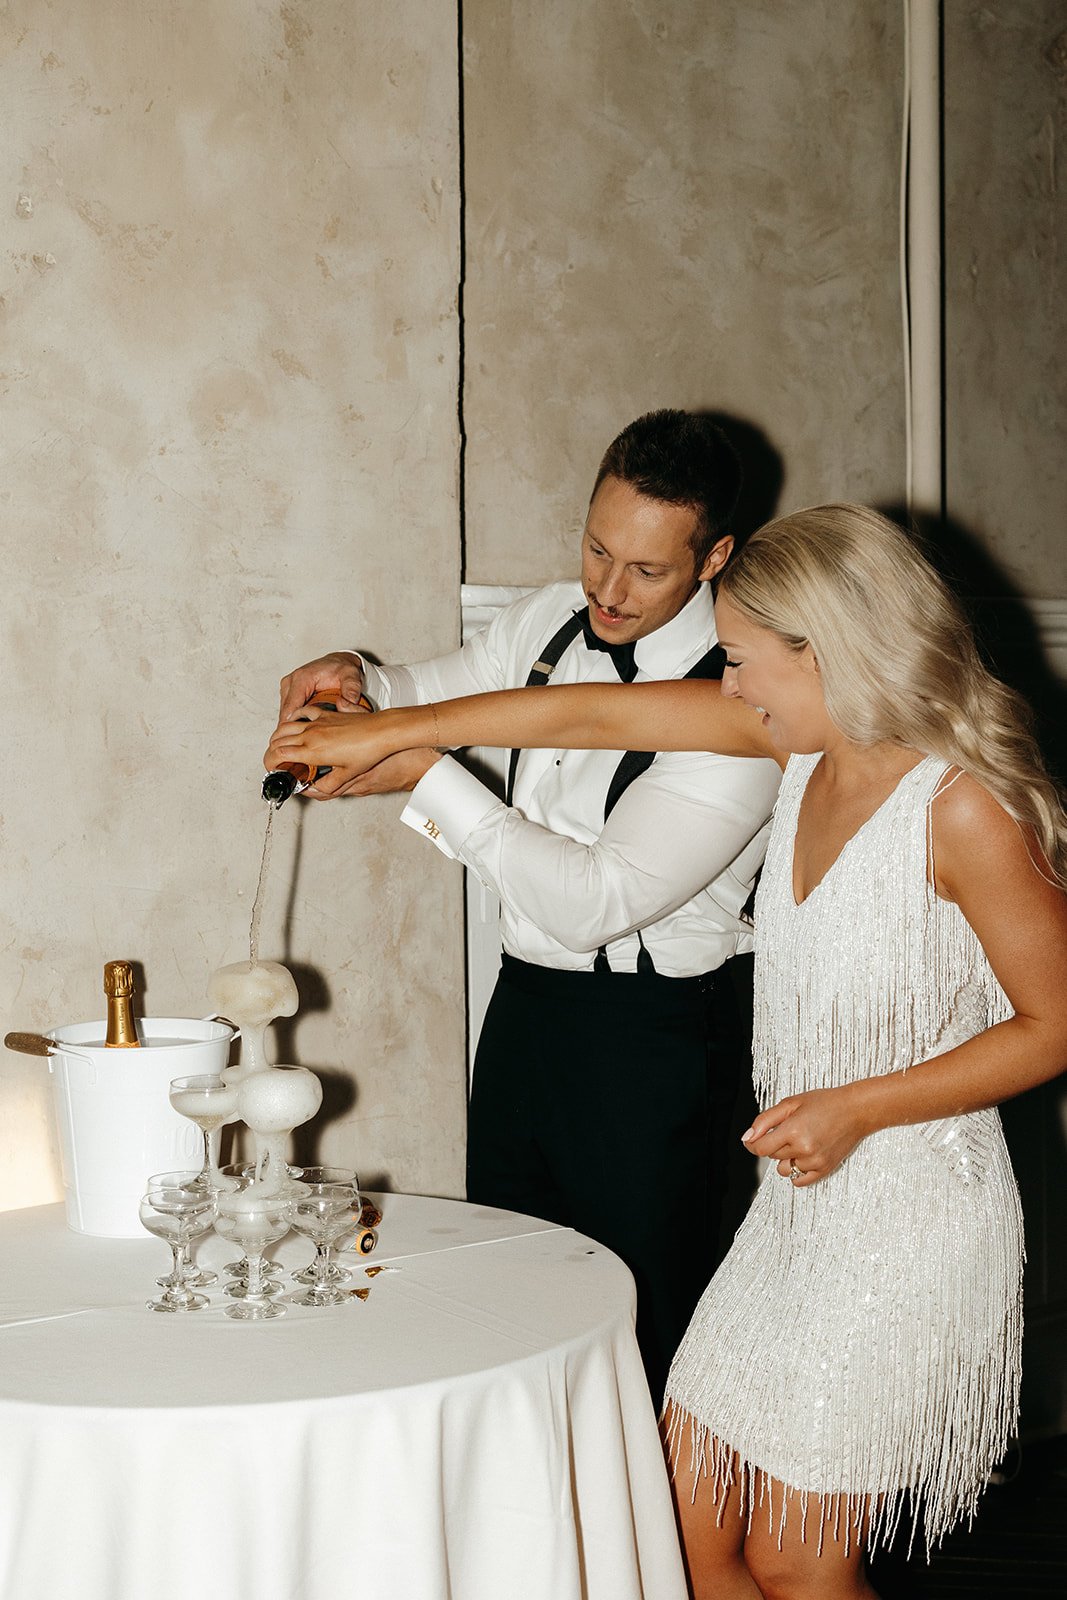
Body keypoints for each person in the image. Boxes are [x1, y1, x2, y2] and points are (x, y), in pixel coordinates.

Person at [265, 503, 1067, 1599]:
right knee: (681, 1536)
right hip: (795, 1216)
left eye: (738, 661)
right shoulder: (796, 748)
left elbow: (1053, 1023)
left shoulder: (960, 807)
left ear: (823, 651)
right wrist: (396, 731)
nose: (725, 687)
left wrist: (860, 1105)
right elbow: (596, 715)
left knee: (797, 1556)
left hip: (911, 1221)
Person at [269, 409, 781, 1402]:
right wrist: (354, 683)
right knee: (508, 1303)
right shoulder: (549, 619)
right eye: (596, 548)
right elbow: (423, 687)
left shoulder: (742, 699)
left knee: (645, 1336)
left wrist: (421, 772)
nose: (607, 588)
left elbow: (595, 902)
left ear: (715, 555)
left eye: (646, 570)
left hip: (656, 1045)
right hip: (524, 1017)